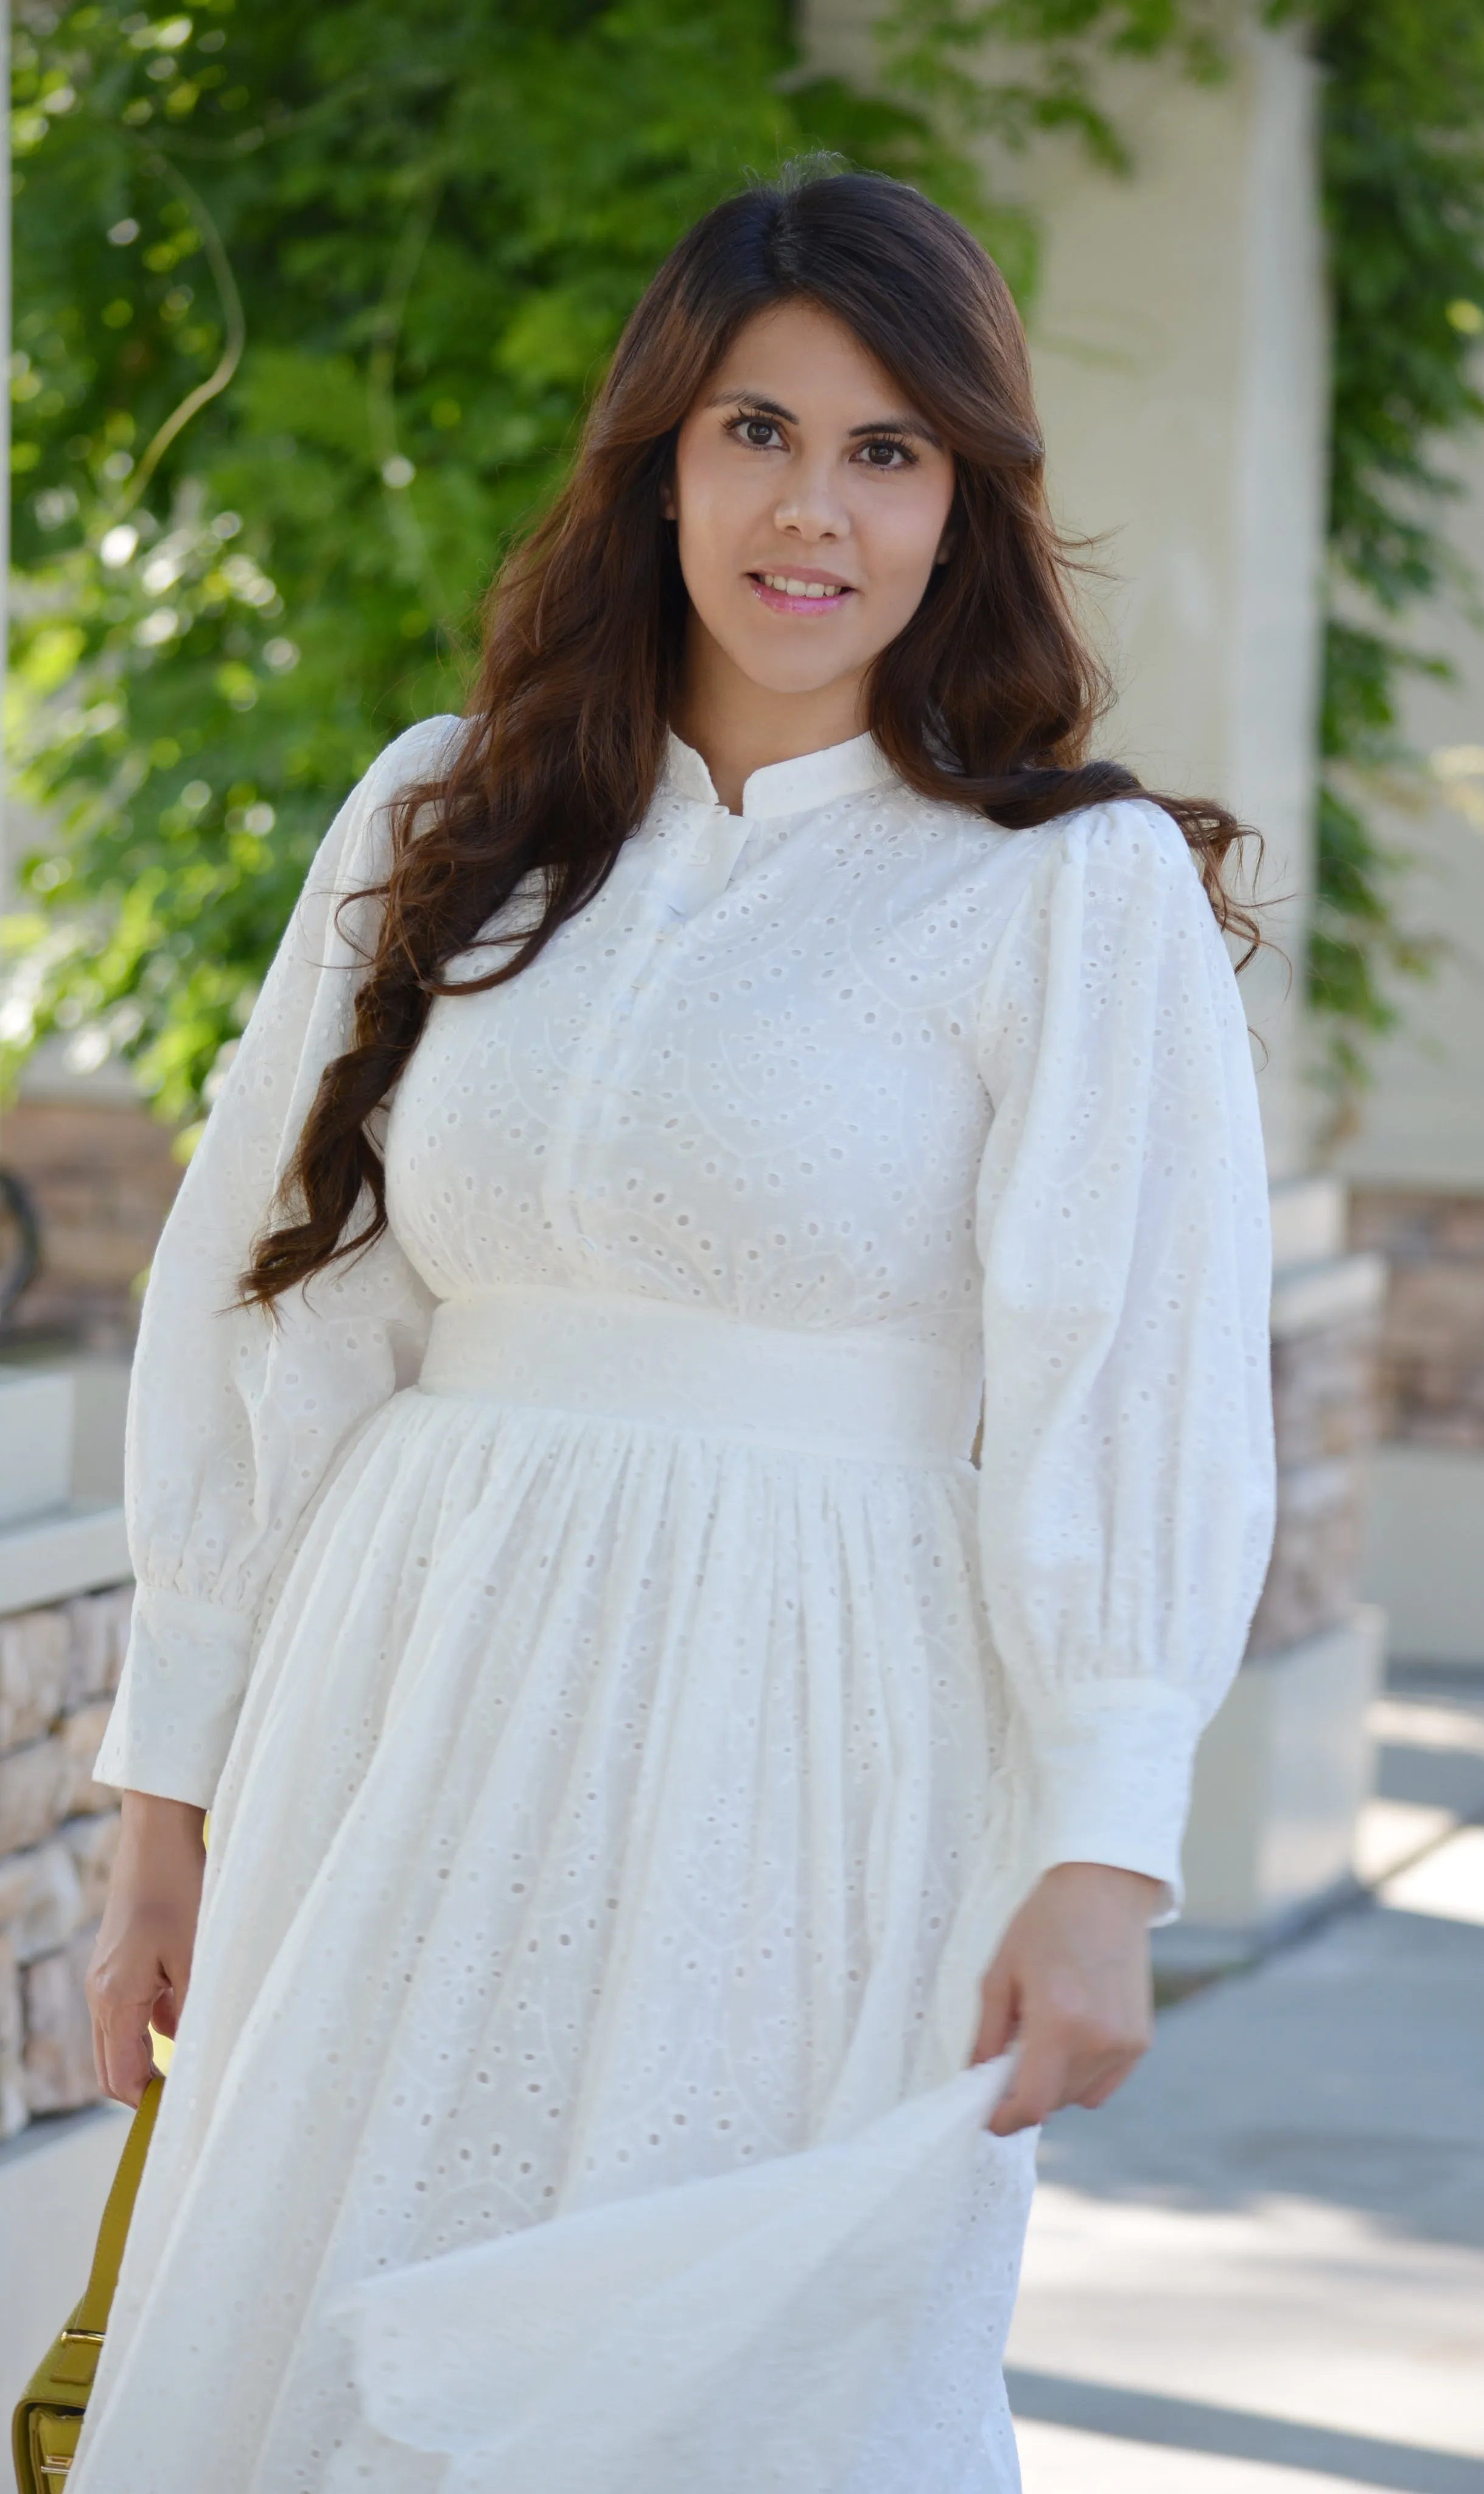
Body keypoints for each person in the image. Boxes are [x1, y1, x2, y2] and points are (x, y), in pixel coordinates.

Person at [74, 165, 1275, 2492]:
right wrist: (165, 1804)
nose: (809, 509)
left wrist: (1104, 1853)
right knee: (319, 2318)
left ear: (966, 505)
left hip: (815, 1733)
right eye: (754, 431)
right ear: (658, 456)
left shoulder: (1066, 889)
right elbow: (276, 1297)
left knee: (728, 2371)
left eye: (886, 450)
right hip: (401, 1701)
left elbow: (1135, 1378)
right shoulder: (451, 812)